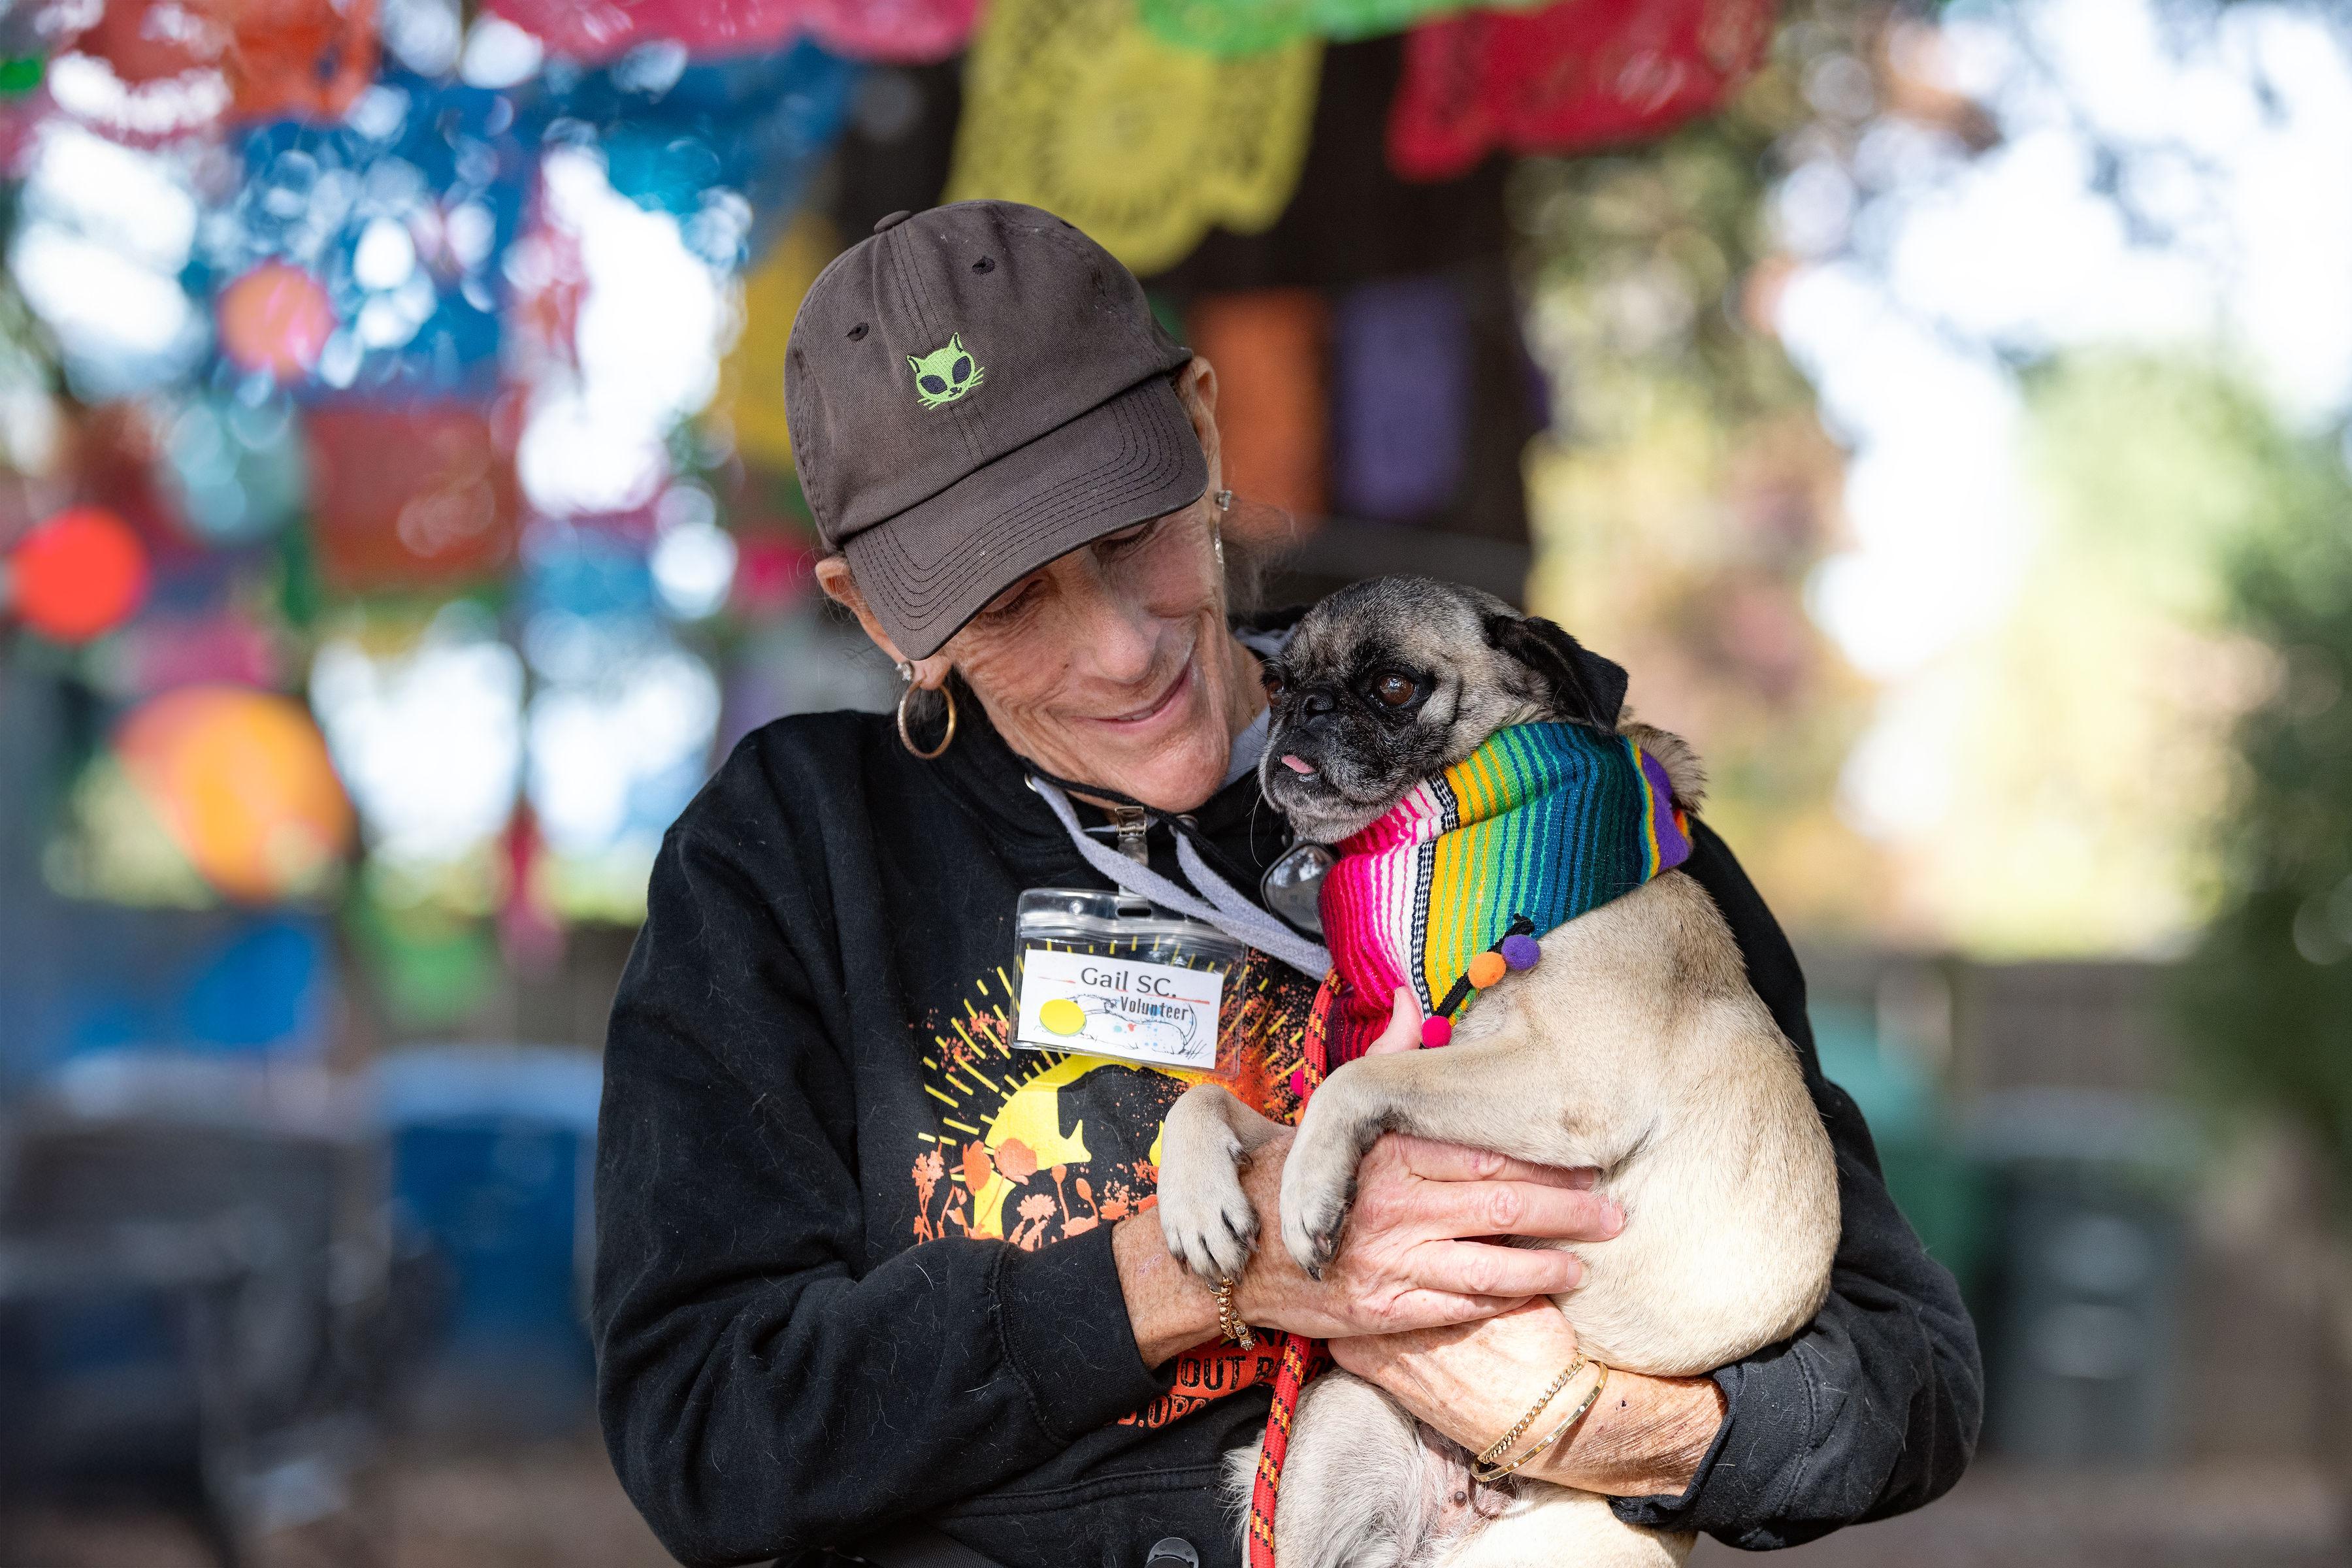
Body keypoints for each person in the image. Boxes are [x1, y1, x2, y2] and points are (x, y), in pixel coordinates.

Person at [592, 201, 1980, 1568]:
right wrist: (1197, 1273)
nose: (1124, 652)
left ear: (1200, 431)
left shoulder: (1545, 804)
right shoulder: (791, 849)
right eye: (1010, 606)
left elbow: (1905, 1378)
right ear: (879, 619)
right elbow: (707, 1430)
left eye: (1131, 538)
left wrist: (1599, 1424)